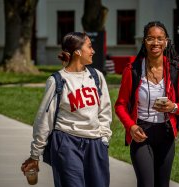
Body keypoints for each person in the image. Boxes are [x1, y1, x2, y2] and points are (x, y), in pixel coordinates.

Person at [21, 32, 112, 187]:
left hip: (95, 144)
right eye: (89, 47)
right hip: (67, 144)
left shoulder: (97, 76)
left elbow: (105, 111)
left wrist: (104, 138)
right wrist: (35, 154)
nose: (93, 51)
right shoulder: (57, 80)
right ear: (77, 52)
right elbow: (44, 119)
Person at [115, 21, 179, 187]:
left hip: (166, 133)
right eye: (150, 38)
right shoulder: (132, 70)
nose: (155, 43)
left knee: (162, 184)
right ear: (144, 41)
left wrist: (173, 107)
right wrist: (131, 127)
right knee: (146, 184)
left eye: (159, 39)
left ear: (166, 42)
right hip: (141, 132)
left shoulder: (177, 70)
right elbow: (120, 105)